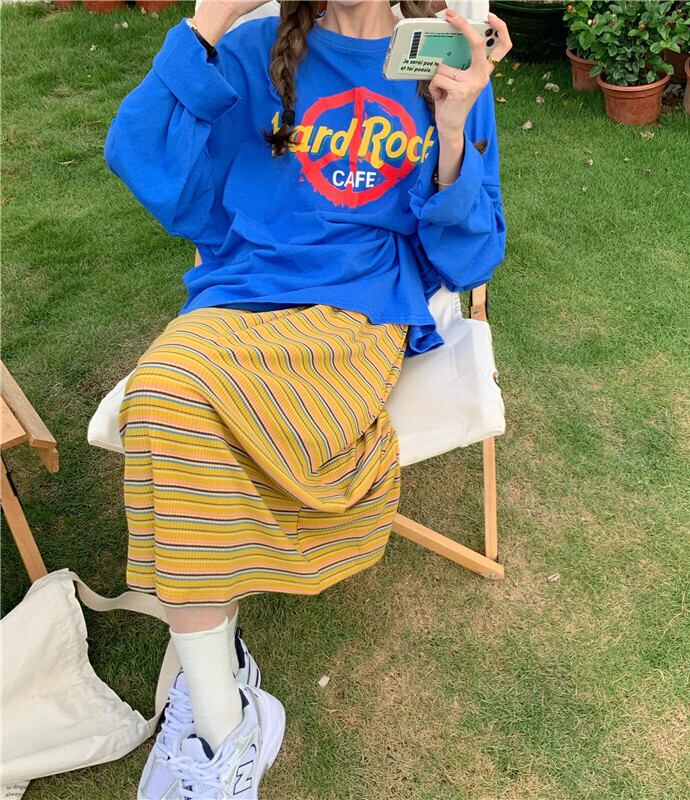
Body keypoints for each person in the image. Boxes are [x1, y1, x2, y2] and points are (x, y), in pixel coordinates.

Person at [104, 1, 510, 797]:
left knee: (178, 410)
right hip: (238, 301)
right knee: (160, 393)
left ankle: (216, 714)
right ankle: (226, 723)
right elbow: (147, 165)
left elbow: (469, 259)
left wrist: (454, 128)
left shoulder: (442, 63)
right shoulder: (250, 50)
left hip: (357, 316)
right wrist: (206, 26)